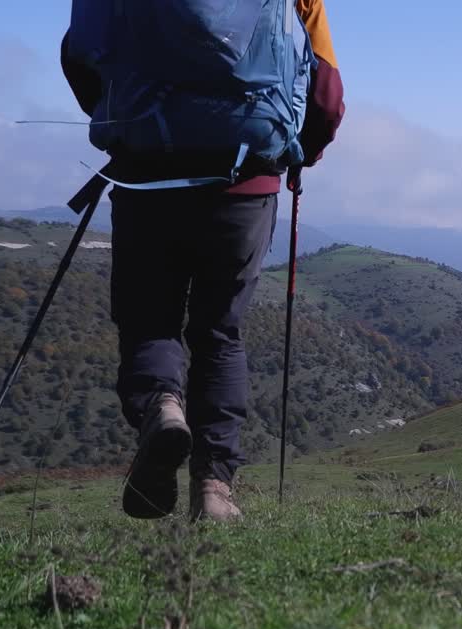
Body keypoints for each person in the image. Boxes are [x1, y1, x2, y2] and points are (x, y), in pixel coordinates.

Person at [59, 1, 345, 521]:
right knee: (220, 332)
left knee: (150, 318)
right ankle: (214, 488)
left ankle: (162, 409)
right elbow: (326, 97)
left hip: (146, 173)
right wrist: (300, 151)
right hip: (246, 183)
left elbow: (81, 56)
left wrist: (132, 119)